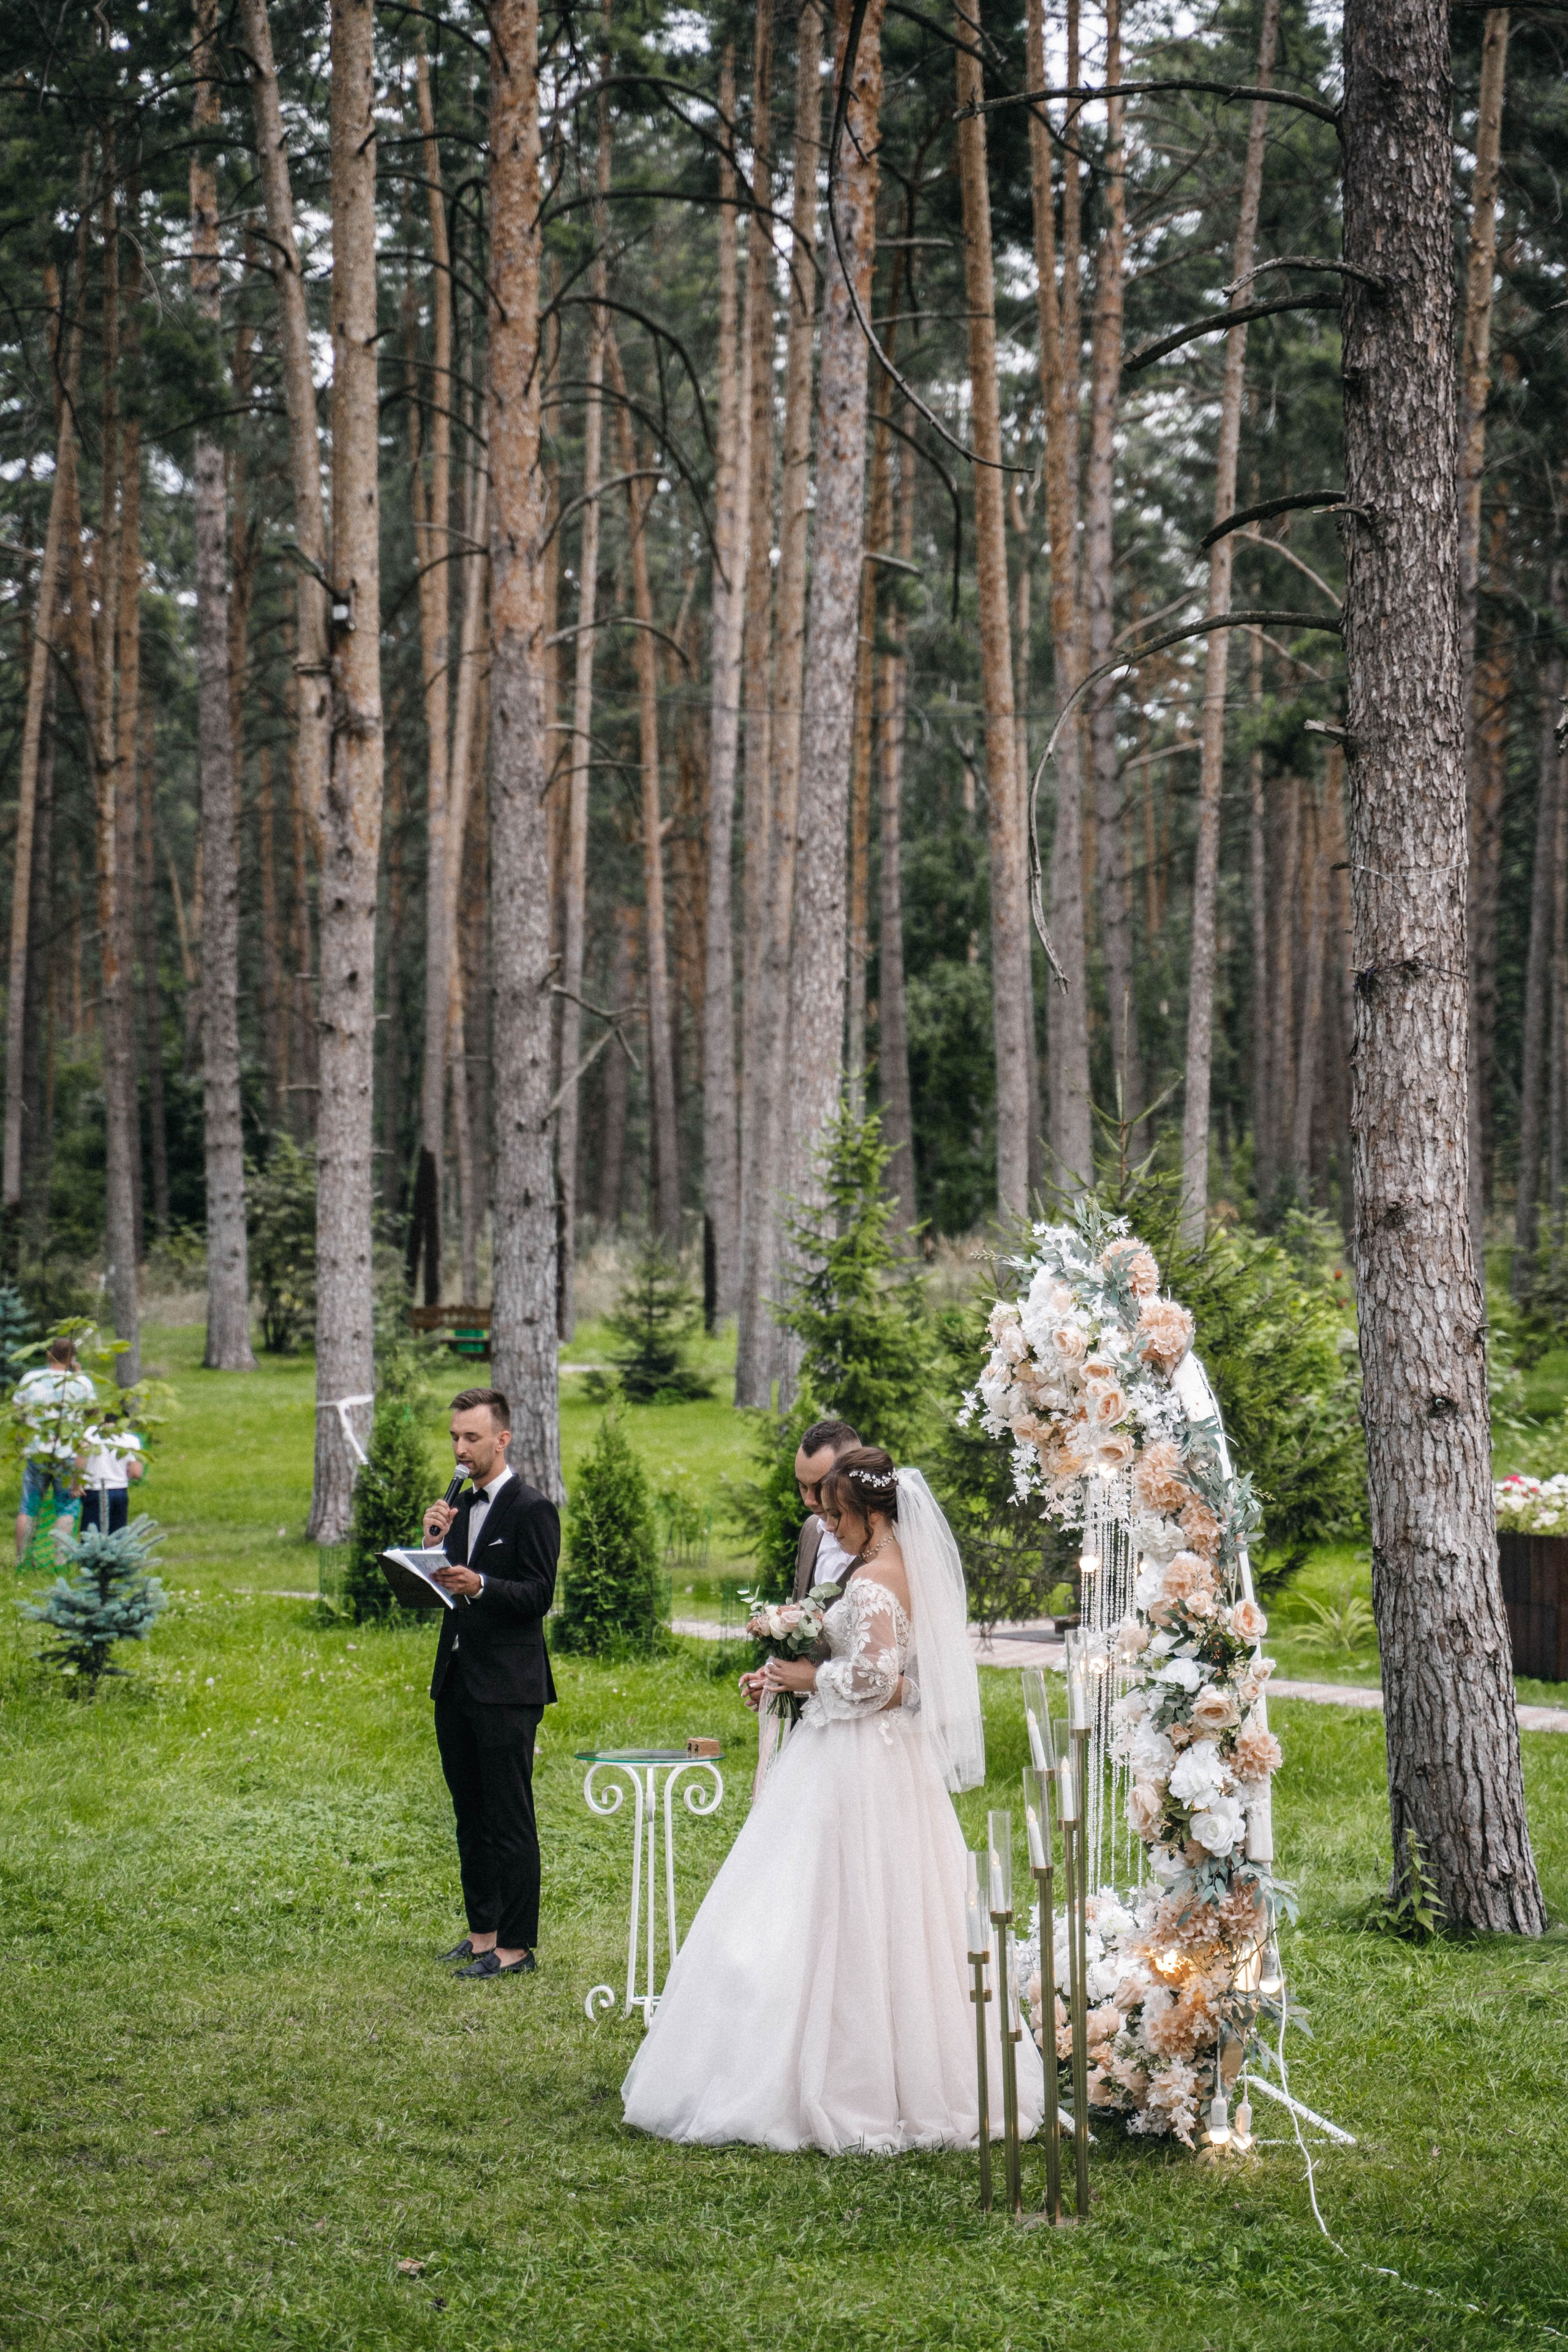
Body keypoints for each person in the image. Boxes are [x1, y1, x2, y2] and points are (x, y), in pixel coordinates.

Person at [622, 1447, 1044, 2154]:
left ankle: (827, 2074)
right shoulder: (902, 1568)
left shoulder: (875, 1580)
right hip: (892, 1761)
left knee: (829, 1898)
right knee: (901, 1905)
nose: (829, 1525)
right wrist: (794, 1665)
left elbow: (875, 1681)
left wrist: (806, 1679)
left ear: (871, 1514)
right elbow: (900, 1676)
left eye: (838, 1514)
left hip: (856, 1760)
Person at [421, 1387, 560, 1981]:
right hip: (455, 1679)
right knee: (470, 1814)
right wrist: (430, 1548)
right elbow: (442, 1588)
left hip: (507, 1685)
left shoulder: (532, 1509)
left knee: (508, 1817)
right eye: (455, 1437)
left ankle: (516, 1946)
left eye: (471, 1437)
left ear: (502, 1439)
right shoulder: (455, 1507)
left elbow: (538, 1595)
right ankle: (482, 1934)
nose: (460, 1448)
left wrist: (481, 1585)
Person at [737, 1417, 861, 1716]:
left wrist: (815, 1680)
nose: (809, 1500)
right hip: (808, 1720)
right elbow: (800, 1620)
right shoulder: (810, 1531)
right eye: (802, 1486)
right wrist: (775, 1675)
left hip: (862, 1723)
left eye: (820, 1487)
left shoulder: (887, 1551)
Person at [13, 1335, 95, 1562]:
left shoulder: (31, 1378)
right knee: (67, 1507)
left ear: (49, 1355)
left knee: (29, 1507)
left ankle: (22, 1560)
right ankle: (61, 1559)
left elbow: (18, 1409)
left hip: (37, 1451)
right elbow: (92, 1412)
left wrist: (24, 1431)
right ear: (72, 1358)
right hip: (68, 1452)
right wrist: (78, 1375)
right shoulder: (81, 1383)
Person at [78, 1411, 146, 1536]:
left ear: (103, 1419)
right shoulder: (130, 1440)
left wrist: (76, 1484)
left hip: (94, 1490)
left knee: (90, 1535)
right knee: (117, 1534)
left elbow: (81, 1458)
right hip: (119, 1490)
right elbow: (136, 1473)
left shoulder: (91, 1434)